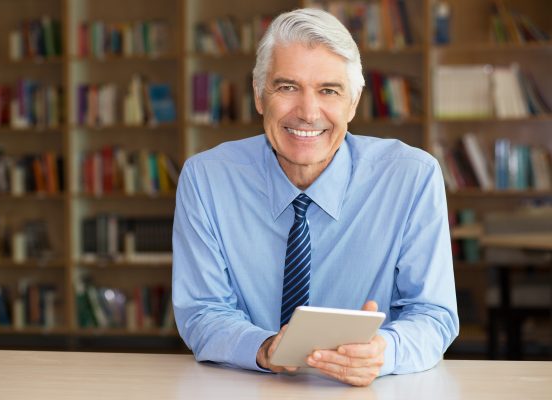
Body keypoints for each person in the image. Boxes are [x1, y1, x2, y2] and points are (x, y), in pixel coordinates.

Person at [172, 8, 459, 386]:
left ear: (353, 103)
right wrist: (263, 348)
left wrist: (382, 351)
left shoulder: (412, 177)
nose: (308, 112)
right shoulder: (206, 179)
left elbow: (434, 314)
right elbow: (202, 312)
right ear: (260, 96)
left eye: (329, 90)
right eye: (287, 87)